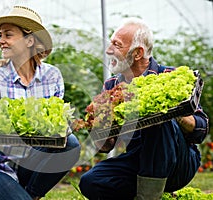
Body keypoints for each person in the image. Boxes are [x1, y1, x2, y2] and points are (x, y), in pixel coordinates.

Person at [79, 17, 209, 200]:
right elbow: (106, 146)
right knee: (91, 181)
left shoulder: (169, 76)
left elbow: (201, 130)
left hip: (178, 163)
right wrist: (98, 127)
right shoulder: (111, 86)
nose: (109, 50)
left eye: (117, 45)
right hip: (137, 161)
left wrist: (175, 112)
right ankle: (151, 195)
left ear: (138, 53)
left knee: (157, 119)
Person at [0, 6, 81, 200]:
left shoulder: (52, 77)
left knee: (70, 144)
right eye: (0, 35)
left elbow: (56, 127)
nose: (1, 41)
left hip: (26, 164)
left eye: (8, 35)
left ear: (29, 40)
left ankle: (27, 195)